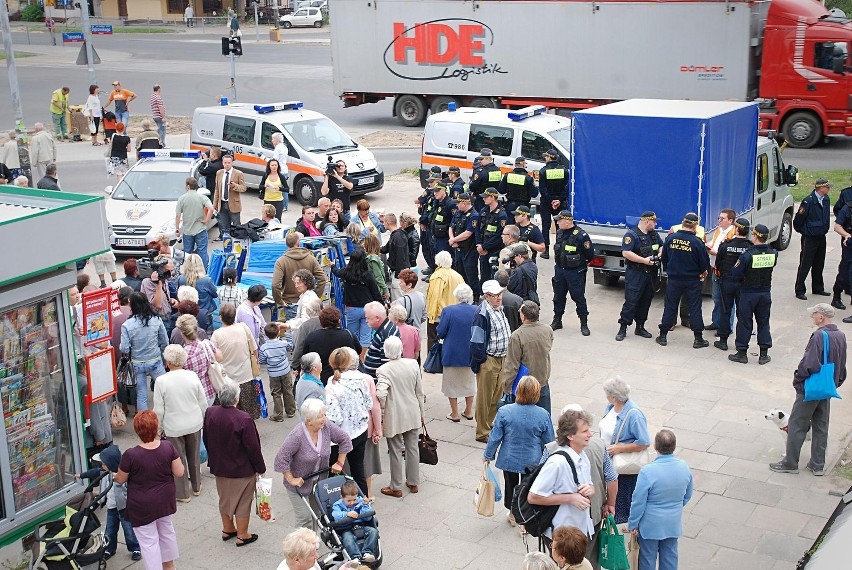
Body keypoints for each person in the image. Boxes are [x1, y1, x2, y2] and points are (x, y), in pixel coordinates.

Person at [770, 303, 847, 475]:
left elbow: (810, 363)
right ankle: (817, 465)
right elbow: (842, 364)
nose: (811, 317)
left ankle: (790, 463)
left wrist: (798, 379)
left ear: (821, 317)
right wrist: (836, 382)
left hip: (811, 388)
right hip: (827, 387)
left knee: (797, 423)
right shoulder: (841, 335)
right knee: (821, 425)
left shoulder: (819, 335)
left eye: (813, 314)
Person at [114, 411, 184, 570]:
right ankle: (169, 566)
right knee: (166, 532)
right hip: (164, 500)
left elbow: (121, 478)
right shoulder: (168, 447)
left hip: (142, 506)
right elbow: (179, 472)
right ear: (156, 427)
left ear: (137, 431)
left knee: (148, 542)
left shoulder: (131, 455)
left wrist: (114, 476)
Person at [552, 404, 618, 569]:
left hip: (560, 521)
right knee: (589, 558)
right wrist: (610, 504)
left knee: (560, 558)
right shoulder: (599, 446)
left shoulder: (550, 449)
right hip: (591, 515)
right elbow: (611, 478)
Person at [484, 375, 554, 525]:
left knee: (511, 485)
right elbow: (549, 441)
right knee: (529, 486)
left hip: (510, 457)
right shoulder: (543, 414)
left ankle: (513, 512)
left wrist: (488, 455)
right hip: (533, 458)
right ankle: (526, 512)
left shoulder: (504, 411)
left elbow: (495, 437)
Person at [203, 380, 266, 546]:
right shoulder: (243, 418)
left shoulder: (210, 412)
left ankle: (228, 528)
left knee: (224, 499)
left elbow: (206, 438)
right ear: (236, 398)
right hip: (241, 468)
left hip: (220, 466)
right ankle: (242, 534)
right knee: (243, 502)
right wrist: (260, 468)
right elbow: (253, 447)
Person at [274, 399, 352, 530]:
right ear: (309, 420)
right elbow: (281, 458)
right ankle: (301, 547)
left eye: (324, 415)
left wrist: (340, 462)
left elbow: (345, 439)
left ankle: (312, 542)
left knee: (317, 514)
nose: (324, 419)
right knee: (304, 518)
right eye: (320, 416)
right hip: (299, 484)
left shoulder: (326, 427)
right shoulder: (297, 435)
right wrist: (291, 478)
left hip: (319, 481)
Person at [628, 429, 694, 570]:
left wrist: (633, 523)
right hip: (672, 522)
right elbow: (687, 495)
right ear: (674, 446)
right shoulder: (684, 467)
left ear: (655, 447)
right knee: (670, 557)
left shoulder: (647, 471)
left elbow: (638, 501)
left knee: (647, 558)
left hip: (650, 525)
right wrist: (675, 506)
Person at [528, 409, 596, 544]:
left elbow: (590, 485)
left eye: (589, 430)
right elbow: (533, 497)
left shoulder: (583, 456)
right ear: (570, 436)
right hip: (562, 535)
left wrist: (591, 489)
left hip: (580, 529)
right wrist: (570, 498)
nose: (590, 434)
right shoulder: (557, 463)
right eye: (584, 431)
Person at [153, 344, 208, 503]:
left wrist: (159, 429)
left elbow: (159, 410)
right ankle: (197, 486)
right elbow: (202, 401)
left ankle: (183, 493)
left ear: (168, 362)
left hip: (173, 426)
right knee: (194, 455)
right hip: (194, 422)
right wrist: (204, 419)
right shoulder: (192, 376)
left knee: (178, 459)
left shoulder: (161, 381)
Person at [376, 336, 425, 497]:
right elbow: (419, 392)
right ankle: (413, 481)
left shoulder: (384, 369)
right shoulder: (412, 364)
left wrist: (381, 411)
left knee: (395, 449)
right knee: (412, 447)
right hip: (412, 411)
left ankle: (395, 486)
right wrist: (422, 413)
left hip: (394, 414)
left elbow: (381, 393)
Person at [598, 376, 650, 526]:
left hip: (624, 467)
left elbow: (644, 442)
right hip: (609, 459)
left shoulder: (634, 415)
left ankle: (623, 530)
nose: (605, 396)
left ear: (613, 397)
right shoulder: (610, 407)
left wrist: (620, 448)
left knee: (622, 501)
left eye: (607, 393)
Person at [655, 213, 711, 348]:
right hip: (692, 280)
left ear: (683, 223)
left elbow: (664, 258)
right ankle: (698, 339)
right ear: (695, 226)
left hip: (674, 279)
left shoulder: (670, 239)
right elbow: (704, 264)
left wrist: (671, 270)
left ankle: (663, 336)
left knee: (670, 306)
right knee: (695, 307)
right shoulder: (697, 242)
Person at [77, 445, 140, 561]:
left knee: (129, 530)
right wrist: (82, 475)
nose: (102, 466)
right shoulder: (105, 472)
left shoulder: (123, 474)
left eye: (104, 464)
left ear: (111, 464)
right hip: (111, 507)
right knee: (110, 530)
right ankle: (109, 549)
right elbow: (94, 472)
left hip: (124, 508)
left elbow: (133, 486)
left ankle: (135, 548)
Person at [326, 346, 373, 497]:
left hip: (342, 437)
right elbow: (369, 404)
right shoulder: (361, 379)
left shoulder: (332, 384)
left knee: (334, 473)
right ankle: (364, 504)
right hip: (360, 430)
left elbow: (335, 418)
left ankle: (337, 504)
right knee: (358, 470)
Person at [728, 224, 778, 365]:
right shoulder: (773, 253)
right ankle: (763, 354)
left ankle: (742, 353)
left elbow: (735, 273)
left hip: (748, 292)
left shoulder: (747, 255)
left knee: (744, 322)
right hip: (765, 293)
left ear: (755, 236)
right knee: (763, 322)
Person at [471, 280, 512, 443]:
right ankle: (482, 431)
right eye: (495, 295)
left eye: (500, 294)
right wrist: (482, 361)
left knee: (496, 395)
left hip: (502, 358)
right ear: (487, 296)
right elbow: (476, 341)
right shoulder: (481, 314)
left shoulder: (498, 309)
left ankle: (488, 424)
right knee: (485, 397)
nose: (499, 298)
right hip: (489, 360)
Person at [616, 211, 662, 341]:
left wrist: (659, 255)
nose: (656, 224)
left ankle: (640, 326)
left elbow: (661, 247)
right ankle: (623, 327)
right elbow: (626, 253)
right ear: (647, 221)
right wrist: (644, 260)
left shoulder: (654, 234)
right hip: (636, 273)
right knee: (631, 301)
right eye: (654, 221)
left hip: (650, 274)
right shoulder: (632, 235)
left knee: (646, 301)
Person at [503, 300, 554, 414]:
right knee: (544, 416)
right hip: (542, 381)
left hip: (525, 386)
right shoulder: (547, 330)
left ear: (523, 316)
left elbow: (512, 365)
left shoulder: (517, 336)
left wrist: (507, 387)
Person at [434, 283, 477, 420]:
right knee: (469, 383)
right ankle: (469, 411)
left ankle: (455, 413)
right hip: (470, 352)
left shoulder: (448, 310)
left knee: (451, 384)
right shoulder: (476, 310)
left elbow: (440, 332)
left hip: (452, 352)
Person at [120, 293, 168, 412]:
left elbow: (124, 349)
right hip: (155, 360)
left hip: (137, 363)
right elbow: (165, 342)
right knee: (167, 388)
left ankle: (144, 424)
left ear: (132, 305)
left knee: (142, 395)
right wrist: (164, 358)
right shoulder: (156, 319)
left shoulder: (127, 325)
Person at [211, 303, 260, 419]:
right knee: (247, 413)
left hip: (226, 379)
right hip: (246, 376)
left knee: (228, 415)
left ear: (221, 317)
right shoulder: (243, 327)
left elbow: (212, 358)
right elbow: (254, 349)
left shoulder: (217, 335)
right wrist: (256, 363)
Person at [551, 211, 595, 335]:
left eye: (559, 220)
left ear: (567, 221)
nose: (557, 222)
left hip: (575, 272)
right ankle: (557, 320)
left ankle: (584, 324)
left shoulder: (581, 235)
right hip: (560, 270)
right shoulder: (559, 233)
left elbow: (590, 255)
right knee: (558, 296)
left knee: (578, 297)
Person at [333, 247, 384, 352]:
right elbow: (375, 293)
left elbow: (336, 272)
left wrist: (332, 266)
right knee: (365, 335)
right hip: (367, 309)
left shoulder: (346, 273)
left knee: (353, 334)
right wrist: (382, 305)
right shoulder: (368, 275)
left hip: (351, 308)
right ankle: (362, 358)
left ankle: (355, 357)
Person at [713, 218, 752, 352]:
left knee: (725, 310)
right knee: (743, 314)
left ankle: (723, 341)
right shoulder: (750, 247)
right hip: (744, 284)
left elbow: (718, 263)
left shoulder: (725, 245)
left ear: (736, 229)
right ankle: (740, 343)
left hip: (727, 282)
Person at [272, 232, 328, 320]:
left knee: (294, 331)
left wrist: (279, 300)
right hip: (309, 303)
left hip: (291, 303)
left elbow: (275, 285)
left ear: (286, 244)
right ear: (298, 243)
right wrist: (315, 296)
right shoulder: (311, 258)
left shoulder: (281, 261)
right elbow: (322, 279)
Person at [794, 178, 833, 300]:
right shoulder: (808, 201)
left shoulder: (826, 199)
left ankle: (818, 288)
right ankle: (800, 289)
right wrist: (806, 232)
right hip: (809, 238)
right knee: (805, 264)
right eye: (827, 187)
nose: (829, 189)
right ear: (821, 188)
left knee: (819, 263)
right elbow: (798, 222)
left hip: (821, 236)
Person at [302, 307, 362, 383]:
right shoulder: (348, 335)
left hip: (321, 378)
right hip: (345, 378)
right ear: (338, 320)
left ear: (321, 321)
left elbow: (306, 357)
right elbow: (358, 351)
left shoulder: (312, 337)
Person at [425, 250, 465, 351]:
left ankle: (433, 365)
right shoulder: (458, 276)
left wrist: (431, 317)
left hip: (440, 316)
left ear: (437, 262)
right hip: (456, 315)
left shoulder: (437, 276)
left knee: (433, 341)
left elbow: (434, 297)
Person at [704, 209, 737, 331]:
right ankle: (716, 322)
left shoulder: (733, 234)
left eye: (722, 219)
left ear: (730, 220)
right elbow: (713, 243)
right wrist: (707, 245)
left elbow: (726, 254)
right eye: (719, 218)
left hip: (726, 272)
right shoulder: (719, 230)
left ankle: (727, 327)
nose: (719, 220)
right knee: (717, 298)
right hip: (715, 269)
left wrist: (712, 252)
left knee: (728, 301)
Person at [331, 481, 378, 563]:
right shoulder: (337, 505)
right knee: (348, 539)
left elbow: (367, 518)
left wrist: (365, 505)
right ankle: (355, 557)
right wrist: (347, 514)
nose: (352, 503)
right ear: (342, 497)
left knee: (373, 531)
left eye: (354, 500)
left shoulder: (360, 501)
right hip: (346, 528)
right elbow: (336, 515)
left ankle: (368, 552)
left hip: (361, 525)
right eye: (349, 501)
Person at [178, 314, 220, 405]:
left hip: (193, 396)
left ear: (181, 332)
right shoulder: (207, 344)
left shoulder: (182, 354)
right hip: (209, 392)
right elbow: (220, 356)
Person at [258, 323, 295, 421]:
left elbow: (261, 361)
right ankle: (291, 411)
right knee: (288, 390)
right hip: (285, 371)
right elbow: (291, 347)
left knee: (276, 393)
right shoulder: (283, 343)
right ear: (278, 332)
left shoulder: (264, 347)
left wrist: (270, 362)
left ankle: (278, 415)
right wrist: (288, 334)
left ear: (265, 335)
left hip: (273, 374)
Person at [175, 178, 213, 268]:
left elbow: (178, 215)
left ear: (188, 186)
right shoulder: (202, 197)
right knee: (202, 252)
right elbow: (211, 209)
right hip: (200, 229)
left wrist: (177, 228)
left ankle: (188, 271)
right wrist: (207, 220)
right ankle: (204, 271)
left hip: (187, 231)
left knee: (187, 253)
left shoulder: (182, 198)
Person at [449, 192, 481, 298]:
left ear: (464, 203)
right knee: (460, 274)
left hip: (469, 251)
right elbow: (451, 227)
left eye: (458, 203)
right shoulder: (458, 213)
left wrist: (454, 239)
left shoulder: (474, 216)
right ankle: (463, 296)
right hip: (458, 250)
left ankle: (475, 296)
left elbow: (468, 233)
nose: (457, 205)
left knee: (471, 275)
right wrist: (452, 239)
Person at [538, 149, 569, 259]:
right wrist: (558, 200)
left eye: (546, 157)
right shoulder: (564, 170)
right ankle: (559, 250)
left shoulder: (543, 171)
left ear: (549, 158)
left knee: (546, 226)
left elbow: (542, 189)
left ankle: (546, 250)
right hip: (560, 202)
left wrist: (550, 200)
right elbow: (566, 188)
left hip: (546, 202)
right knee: (560, 226)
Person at [477, 187, 509, 284]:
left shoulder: (502, 215)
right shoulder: (483, 211)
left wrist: (484, 247)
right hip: (482, 250)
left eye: (486, 197)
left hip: (494, 251)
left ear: (493, 197)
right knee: (484, 277)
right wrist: (479, 245)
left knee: (494, 278)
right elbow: (478, 229)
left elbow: (500, 236)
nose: (483, 199)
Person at [213, 154, 247, 239]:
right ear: (222, 163)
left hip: (233, 204)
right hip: (222, 203)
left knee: (236, 226)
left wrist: (234, 186)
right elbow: (217, 189)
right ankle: (226, 243)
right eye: (225, 163)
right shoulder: (219, 173)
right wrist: (215, 204)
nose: (227, 164)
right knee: (224, 226)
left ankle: (237, 242)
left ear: (232, 163)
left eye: (229, 163)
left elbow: (243, 188)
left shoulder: (238, 173)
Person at [363, 302, 400, 377]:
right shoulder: (385, 329)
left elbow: (387, 364)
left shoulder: (386, 333)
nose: (366, 321)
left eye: (368, 318)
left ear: (377, 318)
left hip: (379, 381)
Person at [381, 213, 410, 301]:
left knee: (399, 300)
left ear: (388, 222)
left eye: (384, 222)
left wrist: (399, 276)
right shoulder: (395, 235)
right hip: (398, 273)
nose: (383, 224)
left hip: (399, 274)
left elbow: (401, 257)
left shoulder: (398, 237)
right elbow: (385, 249)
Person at [832, 197, 852, 313]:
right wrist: (847, 235)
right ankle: (836, 297)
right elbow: (837, 226)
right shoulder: (848, 208)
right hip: (849, 245)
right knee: (844, 273)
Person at [393, 268, 427, 335]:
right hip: (417, 333)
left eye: (401, 282)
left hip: (405, 334)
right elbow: (424, 316)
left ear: (409, 285)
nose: (399, 284)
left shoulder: (401, 301)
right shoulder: (421, 296)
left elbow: (396, 320)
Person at [428, 183, 457, 259]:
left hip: (445, 238)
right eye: (434, 191)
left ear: (444, 190)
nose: (435, 193)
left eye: (437, 191)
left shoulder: (450, 204)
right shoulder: (436, 202)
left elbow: (454, 222)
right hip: (436, 236)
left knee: (445, 260)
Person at [363, 234, 389, 302]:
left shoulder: (366, 257)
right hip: (377, 289)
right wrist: (385, 290)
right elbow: (378, 277)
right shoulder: (374, 259)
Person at [270, 132, 291, 212]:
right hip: (285, 169)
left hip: (280, 171)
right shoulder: (284, 147)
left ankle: (282, 206)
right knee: (284, 189)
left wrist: (264, 158)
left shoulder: (277, 148)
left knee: (279, 189)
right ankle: (285, 205)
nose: (272, 141)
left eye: (273, 139)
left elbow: (275, 161)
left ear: (277, 139)